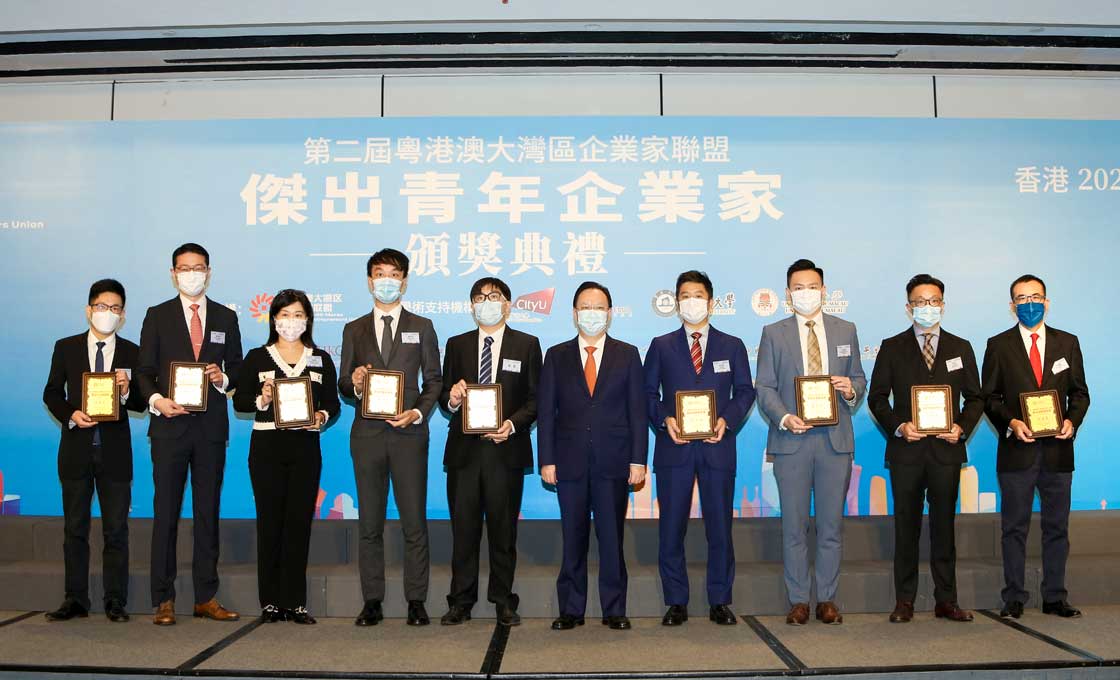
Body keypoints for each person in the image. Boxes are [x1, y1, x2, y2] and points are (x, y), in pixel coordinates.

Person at [136, 243, 242, 626]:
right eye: (184, 268)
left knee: (207, 513)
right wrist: (156, 400)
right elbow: (143, 371)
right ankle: (163, 598)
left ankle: (206, 597)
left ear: (209, 272)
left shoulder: (226, 317)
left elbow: (238, 367)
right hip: (169, 427)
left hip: (210, 429)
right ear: (173, 273)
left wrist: (223, 378)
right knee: (165, 513)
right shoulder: (157, 315)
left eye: (198, 268)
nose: (192, 274)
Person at [755, 258, 865, 626]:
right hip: (792, 441)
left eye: (812, 287)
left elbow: (859, 378)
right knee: (794, 526)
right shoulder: (774, 333)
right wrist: (785, 417)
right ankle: (799, 599)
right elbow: (764, 386)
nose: (806, 293)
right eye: (799, 288)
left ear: (824, 291)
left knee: (831, 526)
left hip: (835, 442)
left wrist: (851, 390)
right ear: (788, 294)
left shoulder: (846, 329)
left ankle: (827, 599)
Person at [867, 274, 983, 624]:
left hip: (946, 452)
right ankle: (904, 600)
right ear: (909, 307)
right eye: (920, 302)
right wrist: (899, 426)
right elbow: (877, 398)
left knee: (944, 528)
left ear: (943, 305)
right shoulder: (892, 347)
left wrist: (962, 427)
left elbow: (976, 398)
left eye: (933, 301)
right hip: (907, 452)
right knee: (907, 527)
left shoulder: (961, 347)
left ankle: (946, 600)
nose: (927, 307)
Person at [644, 270, 755, 627]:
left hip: (717, 447)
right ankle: (676, 601)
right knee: (671, 527)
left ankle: (720, 599)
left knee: (719, 527)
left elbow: (746, 391)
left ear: (711, 302)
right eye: (685, 296)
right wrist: (665, 420)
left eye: (698, 295)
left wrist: (727, 420)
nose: (692, 301)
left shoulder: (732, 345)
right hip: (674, 448)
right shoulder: (661, 345)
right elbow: (648, 394)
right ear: (677, 303)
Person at [338, 248, 443, 627]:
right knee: (369, 523)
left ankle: (416, 600)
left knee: (414, 521)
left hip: (408, 435)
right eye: (380, 274)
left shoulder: (422, 326)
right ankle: (372, 601)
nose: (387, 281)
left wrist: (417, 412)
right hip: (367, 436)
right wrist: (354, 382)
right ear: (370, 281)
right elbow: (343, 384)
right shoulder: (354, 329)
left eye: (394, 274)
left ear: (404, 281)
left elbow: (434, 381)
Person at [539, 281, 647, 631]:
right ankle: (571, 609)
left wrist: (638, 460)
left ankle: (614, 609)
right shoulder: (556, 355)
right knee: (573, 538)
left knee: (612, 539)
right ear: (574, 314)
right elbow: (546, 413)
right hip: (568, 463)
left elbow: (637, 412)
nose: (591, 313)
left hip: (613, 462)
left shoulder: (627, 354)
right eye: (585, 307)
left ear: (610, 313)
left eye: (598, 307)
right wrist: (547, 460)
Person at [981, 274, 1089, 619]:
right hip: (1017, 451)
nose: (1029, 304)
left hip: (1058, 451)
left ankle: (1055, 597)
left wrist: (1072, 421)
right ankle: (1014, 596)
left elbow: (1080, 393)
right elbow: (989, 397)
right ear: (1012, 306)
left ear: (1047, 302)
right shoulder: (998, 345)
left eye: (1035, 297)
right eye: (1022, 298)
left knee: (1057, 527)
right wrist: (1011, 422)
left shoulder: (1067, 342)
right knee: (1014, 528)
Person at [438, 277, 541, 627]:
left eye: (494, 296)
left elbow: (535, 399)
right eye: (480, 298)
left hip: (505, 452)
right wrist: (453, 399)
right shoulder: (457, 344)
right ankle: (460, 601)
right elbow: (445, 394)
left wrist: (511, 424)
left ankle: (503, 600)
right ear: (471, 306)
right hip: (464, 454)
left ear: (507, 305)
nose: (487, 303)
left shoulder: (527, 344)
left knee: (503, 532)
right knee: (463, 532)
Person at [233, 290, 340, 625]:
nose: (291, 321)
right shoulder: (257, 357)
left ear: (308, 319)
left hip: (305, 448)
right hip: (267, 447)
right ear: (273, 319)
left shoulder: (320, 358)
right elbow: (240, 401)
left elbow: (333, 403)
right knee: (270, 523)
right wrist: (262, 399)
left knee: (298, 524)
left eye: (298, 315)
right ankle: (270, 602)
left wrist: (321, 416)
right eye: (285, 314)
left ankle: (295, 602)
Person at [42, 279, 143, 622]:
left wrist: (127, 392)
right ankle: (75, 598)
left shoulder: (132, 352)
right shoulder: (66, 347)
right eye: (101, 306)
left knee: (116, 530)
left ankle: (115, 599)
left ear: (123, 315)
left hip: (115, 453)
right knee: (75, 528)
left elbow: (142, 401)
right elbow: (51, 392)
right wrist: (71, 414)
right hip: (76, 451)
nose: (107, 313)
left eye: (115, 308)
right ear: (89, 310)